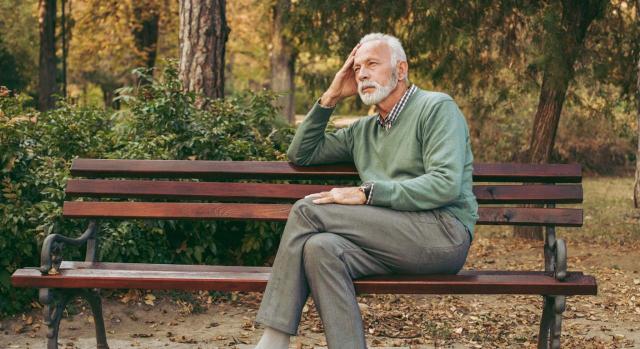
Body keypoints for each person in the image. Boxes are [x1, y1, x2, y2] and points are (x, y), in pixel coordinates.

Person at [252, 33, 478, 349]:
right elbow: (301, 154)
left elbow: (444, 184)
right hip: (387, 241)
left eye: (372, 63)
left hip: (441, 234)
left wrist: (367, 193)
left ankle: (274, 339)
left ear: (401, 70)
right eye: (357, 68)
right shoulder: (363, 131)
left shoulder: (436, 108)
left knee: (307, 208)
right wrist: (331, 96)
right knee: (321, 248)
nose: (362, 74)